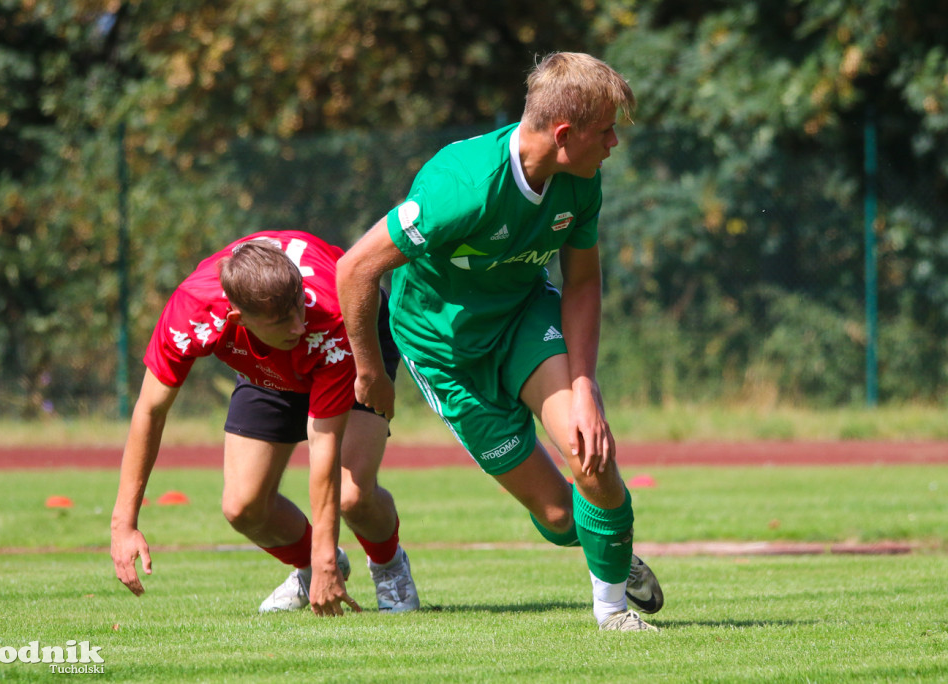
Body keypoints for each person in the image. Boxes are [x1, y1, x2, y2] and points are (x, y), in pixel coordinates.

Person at [336, 52, 662, 631]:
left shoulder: (580, 181)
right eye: (606, 129)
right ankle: (604, 545)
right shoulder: (461, 187)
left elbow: (583, 280)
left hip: (522, 322)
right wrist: (370, 374)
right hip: (445, 355)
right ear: (565, 134)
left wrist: (584, 385)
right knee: (562, 516)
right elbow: (356, 270)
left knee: (591, 453)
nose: (615, 141)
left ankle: (613, 615)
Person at [110, 230, 419, 617]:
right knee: (243, 507)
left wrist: (325, 550)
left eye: (296, 308)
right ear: (238, 319)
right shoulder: (192, 310)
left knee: (352, 495)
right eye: (280, 319)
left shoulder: (323, 317)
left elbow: (323, 445)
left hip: (350, 343)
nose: (296, 325)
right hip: (266, 367)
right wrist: (124, 525)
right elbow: (150, 411)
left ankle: (389, 566)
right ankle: (312, 569)